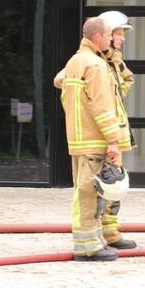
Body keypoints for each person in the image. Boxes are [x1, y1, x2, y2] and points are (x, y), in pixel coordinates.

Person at [58, 17, 132, 261]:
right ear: (98, 37)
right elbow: (102, 107)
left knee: (83, 192)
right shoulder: (96, 65)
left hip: (79, 140)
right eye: (110, 34)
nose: (112, 39)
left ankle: (92, 242)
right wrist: (113, 140)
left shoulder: (74, 62)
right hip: (94, 140)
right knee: (91, 193)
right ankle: (89, 248)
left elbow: (68, 101)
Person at [95, 10, 137, 249]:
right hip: (101, 135)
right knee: (102, 186)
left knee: (115, 185)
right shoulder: (93, 60)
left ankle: (111, 233)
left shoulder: (114, 60)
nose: (123, 38)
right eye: (119, 33)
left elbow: (127, 80)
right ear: (108, 34)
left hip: (114, 132)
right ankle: (99, 233)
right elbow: (62, 79)